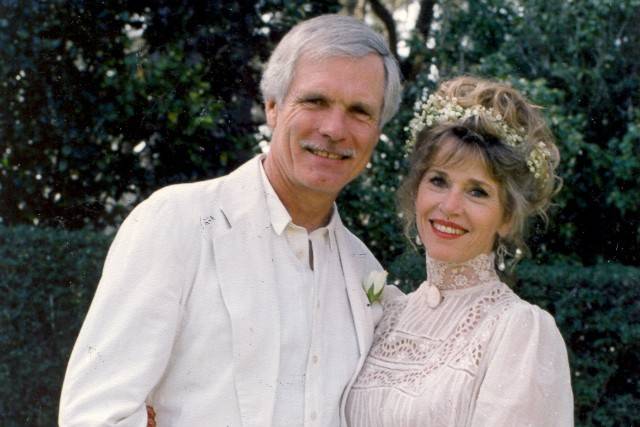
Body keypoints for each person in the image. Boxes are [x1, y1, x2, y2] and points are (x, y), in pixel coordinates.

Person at [59, 14, 402, 426]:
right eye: (315, 101)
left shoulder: (364, 272)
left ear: (377, 131)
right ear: (273, 107)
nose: (333, 128)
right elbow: (95, 414)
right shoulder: (178, 223)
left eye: (360, 111)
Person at [345, 76, 574, 426]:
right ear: (417, 192)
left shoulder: (517, 330)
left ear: (507, 218)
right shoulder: (385, 312)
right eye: (438, 181)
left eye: (477, 191)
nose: (450, 206)